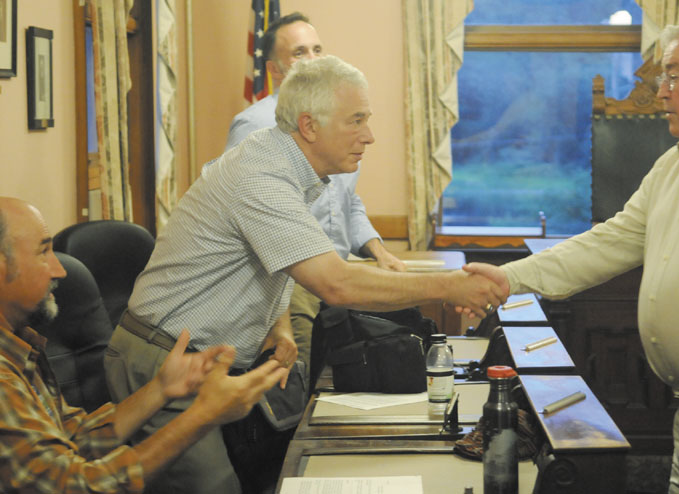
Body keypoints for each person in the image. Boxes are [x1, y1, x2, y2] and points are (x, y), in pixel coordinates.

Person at [106, 55, 505, 494]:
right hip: (164, 361)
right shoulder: (260, 176)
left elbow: (273, 259)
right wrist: (450, 285)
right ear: (310, 126)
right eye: (356, 121)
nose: (369, 136)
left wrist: (279, 326)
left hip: (198, 359)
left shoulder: (285, 168)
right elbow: (337, 282)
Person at [463, 18, 679, 494]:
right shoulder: (677, 162)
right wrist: (507, 279)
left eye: (673, 74)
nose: (661, 91)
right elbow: (609, 242)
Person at [0, 197, 289, 494]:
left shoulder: (20, 344)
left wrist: (162, 387)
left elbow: (75, 437)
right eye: (43, 252)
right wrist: (203, 415)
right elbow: (76, 487)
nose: (58, 270)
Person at [224, 12, 405, 377]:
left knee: (333, 380)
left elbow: (347, 202)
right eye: (299, 53)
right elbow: (243, 209)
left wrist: (378, 252)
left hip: (338, 278)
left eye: (317, 50)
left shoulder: (337, 122)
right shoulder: (256, 124)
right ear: (274, 69)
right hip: (290, 287)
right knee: (298, 385)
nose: (312, 60)